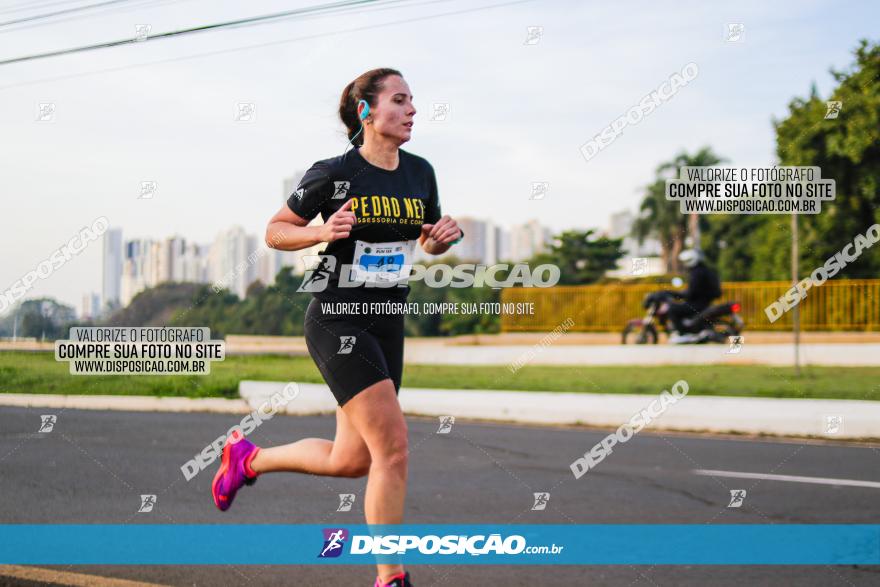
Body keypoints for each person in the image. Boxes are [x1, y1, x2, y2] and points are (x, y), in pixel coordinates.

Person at [210, 68, 463, 587]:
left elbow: (424, 242)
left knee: (352, 460)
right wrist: (322, 231)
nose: (412, 109)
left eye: (413, 100)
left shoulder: (420, 173)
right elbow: (276, 230)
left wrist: (439, 240)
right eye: (399, 100)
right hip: (338, 317)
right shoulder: (335, 172)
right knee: (393, 448)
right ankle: (390, 576)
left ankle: (247, 458)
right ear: (367, 112)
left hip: (387, 321)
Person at [666, 249, 722, 337]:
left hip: (698, 304)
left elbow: (692, 292)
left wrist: (677, 295)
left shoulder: (697, 273)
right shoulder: (705, 270)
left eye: (686, 261)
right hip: (704, 302)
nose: (685, 264)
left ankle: (682, 333)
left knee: (672, 309)